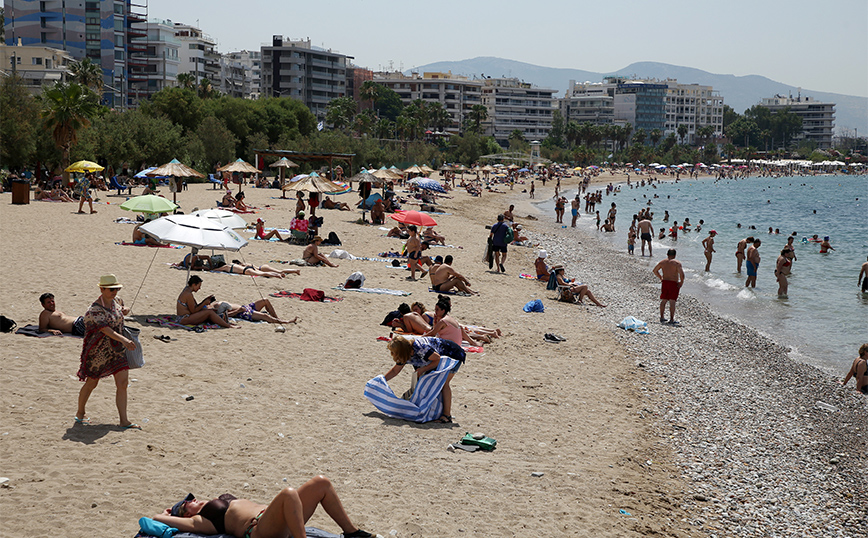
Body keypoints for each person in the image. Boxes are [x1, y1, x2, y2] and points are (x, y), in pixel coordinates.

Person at [153, 476, 375, 538]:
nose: (192, 501)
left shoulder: (213, 505)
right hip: (259, 530)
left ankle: (353, 533)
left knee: (321, 483)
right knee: (288, 493)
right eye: (186, 505)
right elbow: (161, 519)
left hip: (279, 520)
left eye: (190, 498)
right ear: (186, 515)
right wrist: (162, 515)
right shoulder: (201, 521)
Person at [75, 275, 139, 428]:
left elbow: (122, 310)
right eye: (111, 289)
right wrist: (124, 340)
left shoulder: (117, 302)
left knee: (123, 383)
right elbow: (105, 329)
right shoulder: (94, 310)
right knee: (92, 383)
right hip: (97, 352)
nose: (115, 292)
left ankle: (124, 420)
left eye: (116, 289)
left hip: (117, 350)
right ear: (102, 289)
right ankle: (80, 413)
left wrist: (126, 310)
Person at [384, 335, 465, 423]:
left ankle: (446, 415)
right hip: (435, 359)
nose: (393, 354)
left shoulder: (420, 348)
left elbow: (437, 359)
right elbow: (395, 371)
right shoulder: (404, 353)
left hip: (452, 354)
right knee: (426, 384)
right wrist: (382, 380)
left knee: (443, 384)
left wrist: (424, 369)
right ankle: (434, 411)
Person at [652, 249, 684, 324]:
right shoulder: (677, 263)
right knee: (672, 301)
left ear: (667, 254)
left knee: (664, 300)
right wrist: (681, 282)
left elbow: (655, 270)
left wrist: (660, 277)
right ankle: (671, 319)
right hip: (673, 283)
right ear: (675, 255)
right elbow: (681, 274)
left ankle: (662, 317)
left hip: (665, 282)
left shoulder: (662, 262)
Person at [218, 299, 298, 325]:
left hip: (246, 307)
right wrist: (238, 311)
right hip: (243, 313)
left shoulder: (214, 305)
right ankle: (285, 322)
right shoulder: (214, 311)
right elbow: (225, 316)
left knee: (265, 300)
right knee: (264, 316)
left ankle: (276, 318)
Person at [212, 260, 299, 278]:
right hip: (260, 266)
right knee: (280, 270)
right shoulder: (242, 263)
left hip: (246, 271)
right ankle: (294, 271)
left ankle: (277, 275)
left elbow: (217, 270)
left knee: (263, 274)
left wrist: (211, 268)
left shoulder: (226, 267)